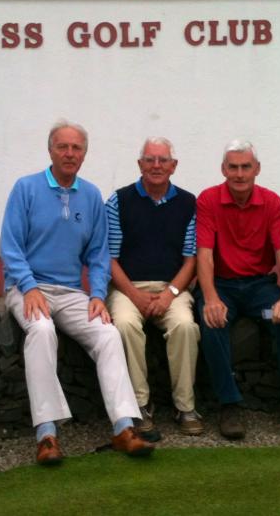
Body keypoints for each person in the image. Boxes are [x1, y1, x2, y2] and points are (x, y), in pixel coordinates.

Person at [0, 120, 155, 465]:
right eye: (62, 147)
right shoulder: (25, 189)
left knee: (108, 334)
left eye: (77, 148)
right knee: (41, 330)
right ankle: (47, 435)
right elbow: (10, 247)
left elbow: (99, 255)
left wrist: (98, 295)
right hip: (26, 287)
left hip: (71, 291)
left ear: (84, 154)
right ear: (50, 150)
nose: (70, 154)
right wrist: (28, 286)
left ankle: (124, 426)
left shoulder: (90, 195)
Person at [194, 140, 280, 440]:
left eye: (245, 166)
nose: (239, 173)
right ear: (223, 169)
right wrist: (209, 298)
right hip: (221, 284)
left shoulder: (272, 202)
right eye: (232, 167)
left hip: (261, 285)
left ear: (257, 169)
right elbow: (204, 254)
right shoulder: (208, 200)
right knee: (212, 323)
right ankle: (229, 404)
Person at [105, 137, 203, 439]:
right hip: (127, 286)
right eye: (150, 159)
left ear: (174, 166)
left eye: (163, 160)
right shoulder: (118, 201)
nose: (156, 166)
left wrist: (169, 294)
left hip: (172, 287)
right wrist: (134, 295)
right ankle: (139, 405)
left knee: (185, 326)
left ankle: (185, 406)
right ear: (140, 164)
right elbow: (109, 258)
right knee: (122, 325)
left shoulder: (189, 203)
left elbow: (191, 260)